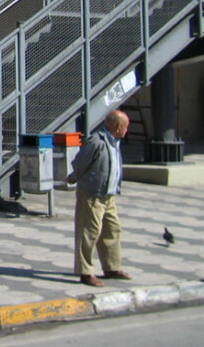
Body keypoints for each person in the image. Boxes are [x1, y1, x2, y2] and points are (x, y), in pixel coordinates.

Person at [66, 110, 131, 287]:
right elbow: (80, 162)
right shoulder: (96, 142)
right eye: (125, 127)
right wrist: (74, 177)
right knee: (89, 232)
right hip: (92, 194)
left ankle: (112, 267)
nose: (126, 131)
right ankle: (85, 272)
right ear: (118, 127)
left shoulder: (114, 142)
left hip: (108, 195)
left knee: (112, 229)